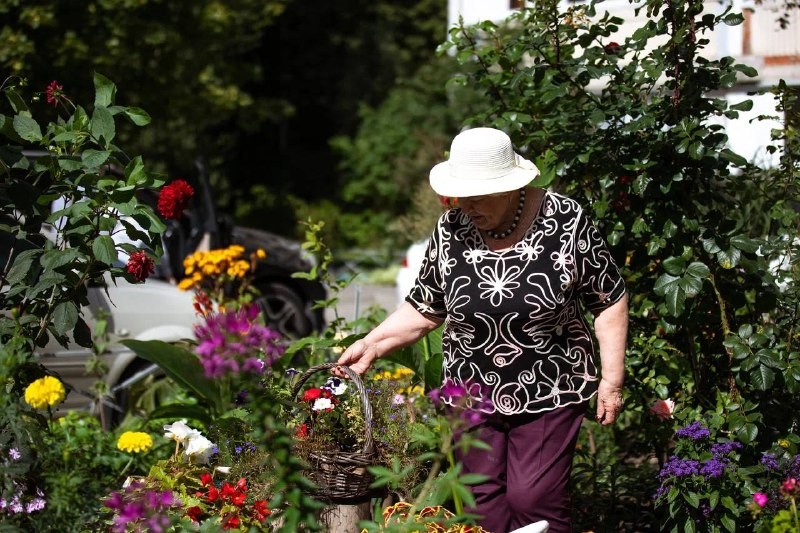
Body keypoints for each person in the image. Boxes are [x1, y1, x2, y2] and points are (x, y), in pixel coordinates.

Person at [335, 127, 628, 533]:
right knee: (479, 501)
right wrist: (371, 343)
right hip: (469, 391)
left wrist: (611, 381)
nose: (466, 204)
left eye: (477, 195)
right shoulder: (451, 229)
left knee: (534, 499)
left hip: (549, 383)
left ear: (510, 187)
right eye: (461, 193)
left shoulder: (565, 221)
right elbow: (424, 307)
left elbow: (609, 298)